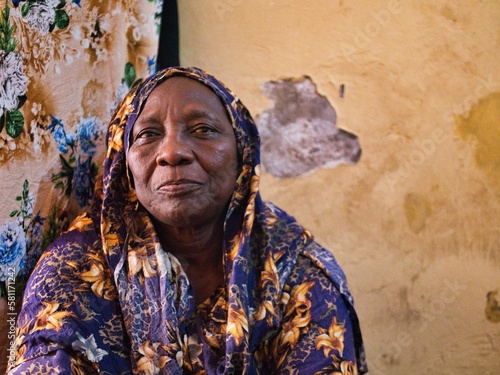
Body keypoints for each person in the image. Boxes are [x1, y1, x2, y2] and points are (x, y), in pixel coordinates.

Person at [8, 67, 367, 374]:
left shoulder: (295, 271)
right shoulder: (72, 271)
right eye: (148, 134)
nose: (172, 152)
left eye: (203, 130)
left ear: (242, 153)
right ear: (124, 165)